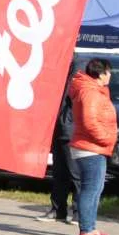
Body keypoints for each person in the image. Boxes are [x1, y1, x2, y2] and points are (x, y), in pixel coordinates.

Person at [68, 58, 116, 235]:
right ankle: (86, 229)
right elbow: (89, 121)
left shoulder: (94, 91)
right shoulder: (90, 93)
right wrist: (106, 138)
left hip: (94, 147)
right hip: (90, 148)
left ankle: (91, 227)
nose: (110, 75)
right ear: (100, 74)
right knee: (91, 188)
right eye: (108, 72)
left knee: (96, 188)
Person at [37, 63, 78, 224]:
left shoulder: (77, 75)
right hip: (56, 129)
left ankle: (78, 212)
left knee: (75, 173)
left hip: (69, 130)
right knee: (59, 173)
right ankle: (58, 209)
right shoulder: (54, 74)